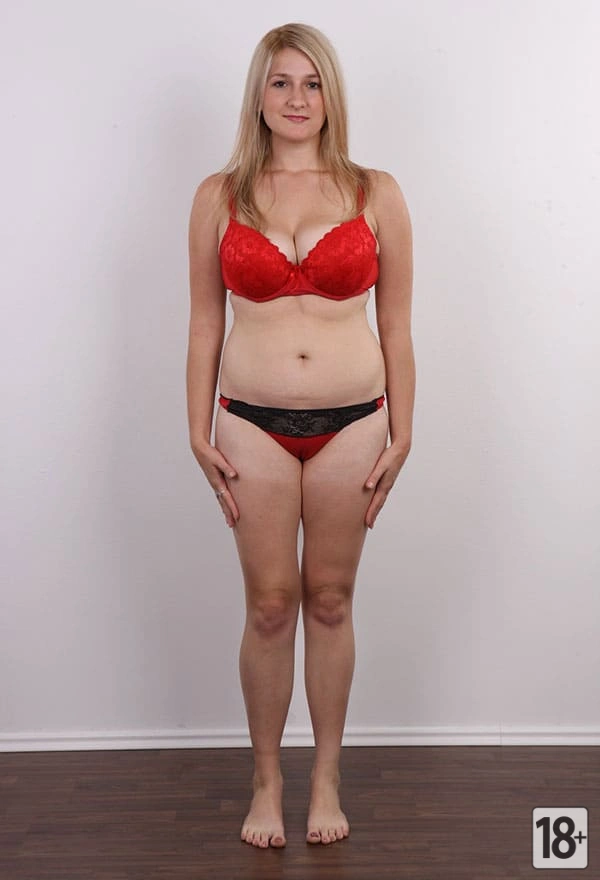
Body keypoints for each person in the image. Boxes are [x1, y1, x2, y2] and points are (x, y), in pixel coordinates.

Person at [186, 22, 414, 849]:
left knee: (330, 598)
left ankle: (325, 776)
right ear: (259, 94)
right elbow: (204, 323)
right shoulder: (220, 195)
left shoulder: (375, 191)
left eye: (312, 83)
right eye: (281, 82)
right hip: (250, 425)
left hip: (355, 424)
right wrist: (196, 429)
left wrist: (403, 433)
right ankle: (265, 780)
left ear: (330, 95)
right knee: (272, 605)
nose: (297, 98)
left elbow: (398, 326)